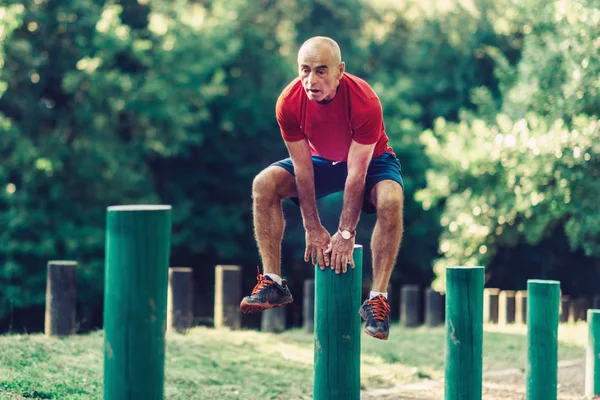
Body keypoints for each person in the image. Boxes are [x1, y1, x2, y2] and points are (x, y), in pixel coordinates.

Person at [239, 36, 404, 340]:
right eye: (304, 70)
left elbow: (356, 175)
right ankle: (273, 281)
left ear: (340, 71)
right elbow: (302, 169)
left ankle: (377, 298)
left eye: (321, 71)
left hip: (372, 161)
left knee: (392, 200)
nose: (310, 80)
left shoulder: (365, 101)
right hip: (321, 161)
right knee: (264, 184)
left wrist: (345, 232)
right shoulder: (288, 102)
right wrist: (312, 227)